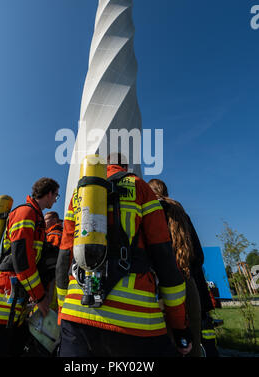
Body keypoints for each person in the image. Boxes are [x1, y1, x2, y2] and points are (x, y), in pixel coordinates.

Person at [56, 153, 192, 357]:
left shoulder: (80, 193)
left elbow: (64, 257)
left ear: (107, 165)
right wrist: (180, 326)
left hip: (76, 314)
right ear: (125, 166)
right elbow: (163, 253)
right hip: (136, 321)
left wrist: (62, 311)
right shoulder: (140, 187)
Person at [0, 177, 60, 357]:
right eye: (55, 195)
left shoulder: (36, 217)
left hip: (11, 306)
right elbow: (22, 261)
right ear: (48, 193)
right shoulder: (26, 212)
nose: (55, 200)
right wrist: (40, 297)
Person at [148, 178, 218, 357]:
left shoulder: (151, 213)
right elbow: (199, 256)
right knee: (192, 345)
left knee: (166, 344)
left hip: (161, 287)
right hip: (188, 284)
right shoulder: (181, 213)